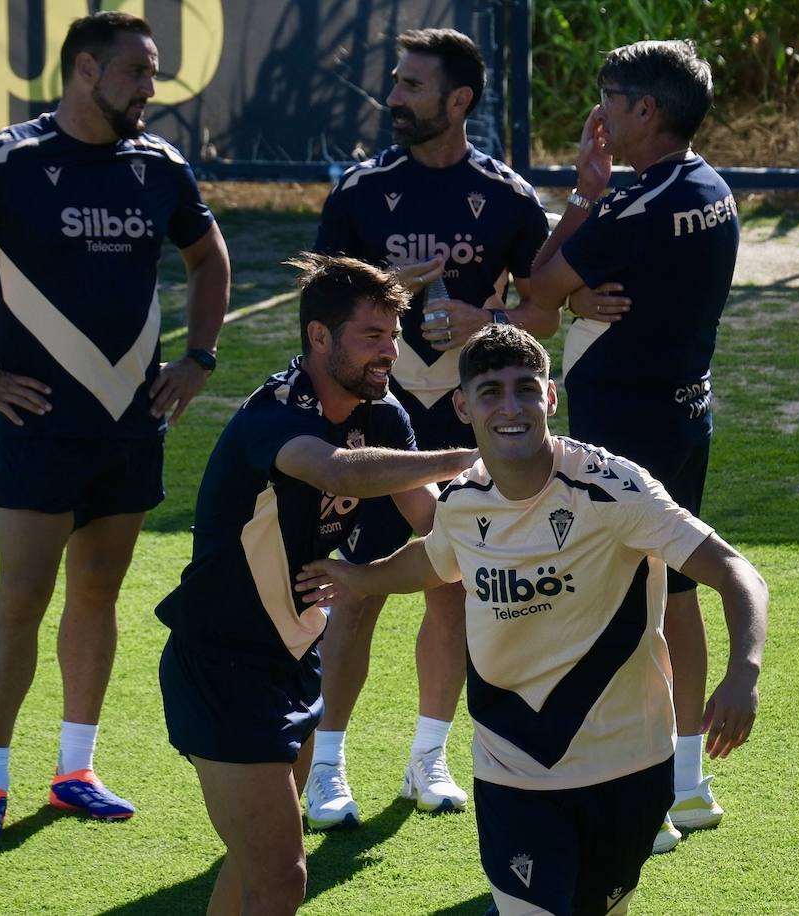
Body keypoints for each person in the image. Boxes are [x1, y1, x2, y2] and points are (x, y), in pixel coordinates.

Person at [0, 10, 231, 842]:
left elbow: (209, 257)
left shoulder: (160, 166)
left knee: (98, 594)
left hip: (130, 424)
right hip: (40, 427)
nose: (153, 88)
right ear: (85, 71)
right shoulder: (9, 161)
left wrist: (199, 359)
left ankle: (75, 769)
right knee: (22, 599)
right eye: (139, 72)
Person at [297, 325, 766, 915]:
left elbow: (734, 570)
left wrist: (743, 672)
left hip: (628, 761)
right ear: (462, 405)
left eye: (525, 388)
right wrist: (360, 578)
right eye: (490, 391)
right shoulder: (463, 499)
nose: (511, 406)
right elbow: (437, 557)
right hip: (513, 762)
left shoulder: (613, 490)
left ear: (550, 397)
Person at [154, 253, 478, 915]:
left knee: (254, 870)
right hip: (221, 667)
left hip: (293, 663)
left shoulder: (382, 414)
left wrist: (515, 537)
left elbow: (432, 522)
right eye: (371, 337)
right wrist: (474, 453)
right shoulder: (274, 415)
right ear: (319, 338)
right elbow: (337, 473)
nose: (390, 352)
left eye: (394, 335)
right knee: (283, 876)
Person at [309, 27, 556, 828]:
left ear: (459, 101)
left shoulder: (511, 197)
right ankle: (326, 769)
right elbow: (316, 317)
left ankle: (427, 761)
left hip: (466, 425)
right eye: (394, 81)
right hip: (375, 428)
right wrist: (388, 292)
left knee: (452, 591)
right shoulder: (358, 193)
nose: (393, 97)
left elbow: (547, 310)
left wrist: (491, 315)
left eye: (411, 85)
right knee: (355, 594)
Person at [526, 39, 742, 853]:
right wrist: (585, 283)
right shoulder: (710, 186)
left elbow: (533, 290)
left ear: (645, 110)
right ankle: (688, 785)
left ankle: (641, 801)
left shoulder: (631, 208)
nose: (599, 114)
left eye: (609, 98)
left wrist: (583, 200)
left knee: (618, 614)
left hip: (623, 431)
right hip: (687, 418)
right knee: (675, 594)